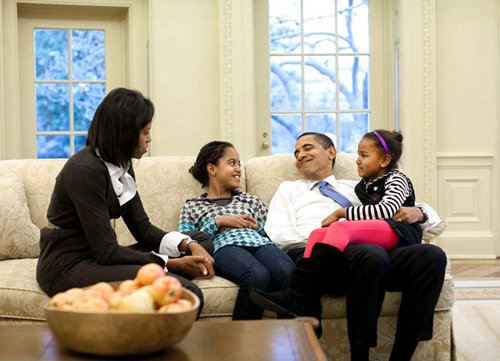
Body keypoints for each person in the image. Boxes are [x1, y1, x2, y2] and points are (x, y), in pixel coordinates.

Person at [251, 132, 447, 361]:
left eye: (307, 148)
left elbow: (400, 209)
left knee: (431, 256)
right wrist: (334, 235)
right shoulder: (289, 189)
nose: (300, 156)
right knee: (369, 253)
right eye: (296, 153)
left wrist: (420, 212)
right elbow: (279, 234)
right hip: (325, 258)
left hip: (375, 253)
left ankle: (402, 355)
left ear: (331, 152)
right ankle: (359, 355)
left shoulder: (359, 186)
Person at [36, 88, 214, 315]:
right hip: (69, 265)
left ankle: (167, 269)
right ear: (125, 134)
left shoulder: (122, 166)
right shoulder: (85, 171)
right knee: (188, 293)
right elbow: (107, 251)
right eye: (145, 132)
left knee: (201, 241)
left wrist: (187, 245)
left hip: (99, 256)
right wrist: (167, 262)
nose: (149, 138)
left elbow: (143, 229)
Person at [178, 141, 296, 320]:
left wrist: (256, 226)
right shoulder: (192, 205)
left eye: (239, 164)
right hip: (224, 247)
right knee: (257, 275)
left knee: (287, 271)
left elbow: (273, 231)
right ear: (212, 169)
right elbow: (185, 241)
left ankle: (291, 341)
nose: (238, 169)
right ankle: (241, 344)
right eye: (232, 163)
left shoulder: (251, 200)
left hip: (260, 242)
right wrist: (218, 222)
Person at [303, 129, 422, 259]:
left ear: (384, 161)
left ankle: (319, 271)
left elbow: (386, 210)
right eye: (358, 155)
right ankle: (305, 277)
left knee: (340, 228)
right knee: (318, 234)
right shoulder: (362, 186)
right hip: (379, 230)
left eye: (364, 155)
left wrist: (341, 213)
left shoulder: (396, 179)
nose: (357, 161)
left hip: (400, 231)